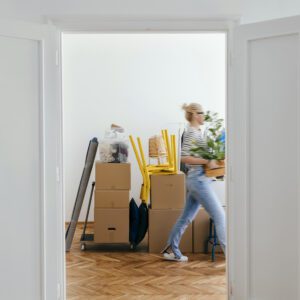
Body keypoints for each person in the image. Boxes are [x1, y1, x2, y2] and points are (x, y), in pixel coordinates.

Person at [161, 103, 226, 262]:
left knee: (186, 218)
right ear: (196, 114)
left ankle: (171, 250)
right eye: (202, 113)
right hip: (198, 180)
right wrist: (206, 160)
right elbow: (183, 157)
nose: (204, 116)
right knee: (220, 216)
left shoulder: (198, 132)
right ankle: (232, 259)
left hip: (198, 179)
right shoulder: (191, 132)